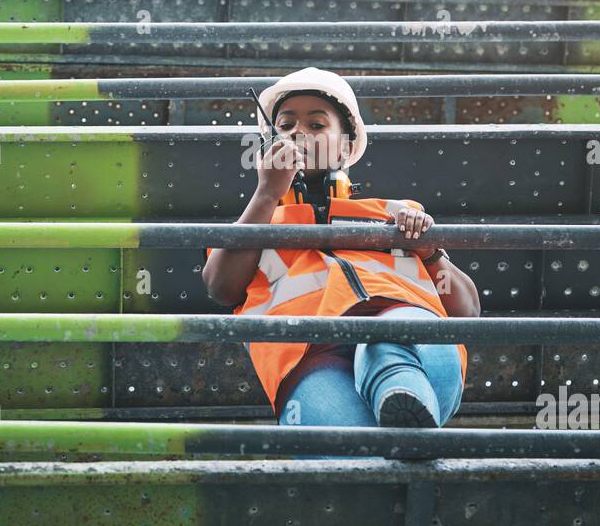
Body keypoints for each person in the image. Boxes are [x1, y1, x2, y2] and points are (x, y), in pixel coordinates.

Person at [202, 67, 481, 429]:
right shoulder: (253, 224)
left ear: (347, 146)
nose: (298, 132)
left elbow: (468, 311)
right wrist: (268, 193)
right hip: (310, 358)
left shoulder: (397, 214)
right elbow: (220, 288)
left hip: (418, 350)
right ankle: (405, 440)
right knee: (343, 448)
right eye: (285, 126)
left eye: (316, 125)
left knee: (385, 346)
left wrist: (429, 251)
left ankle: (400, 393)